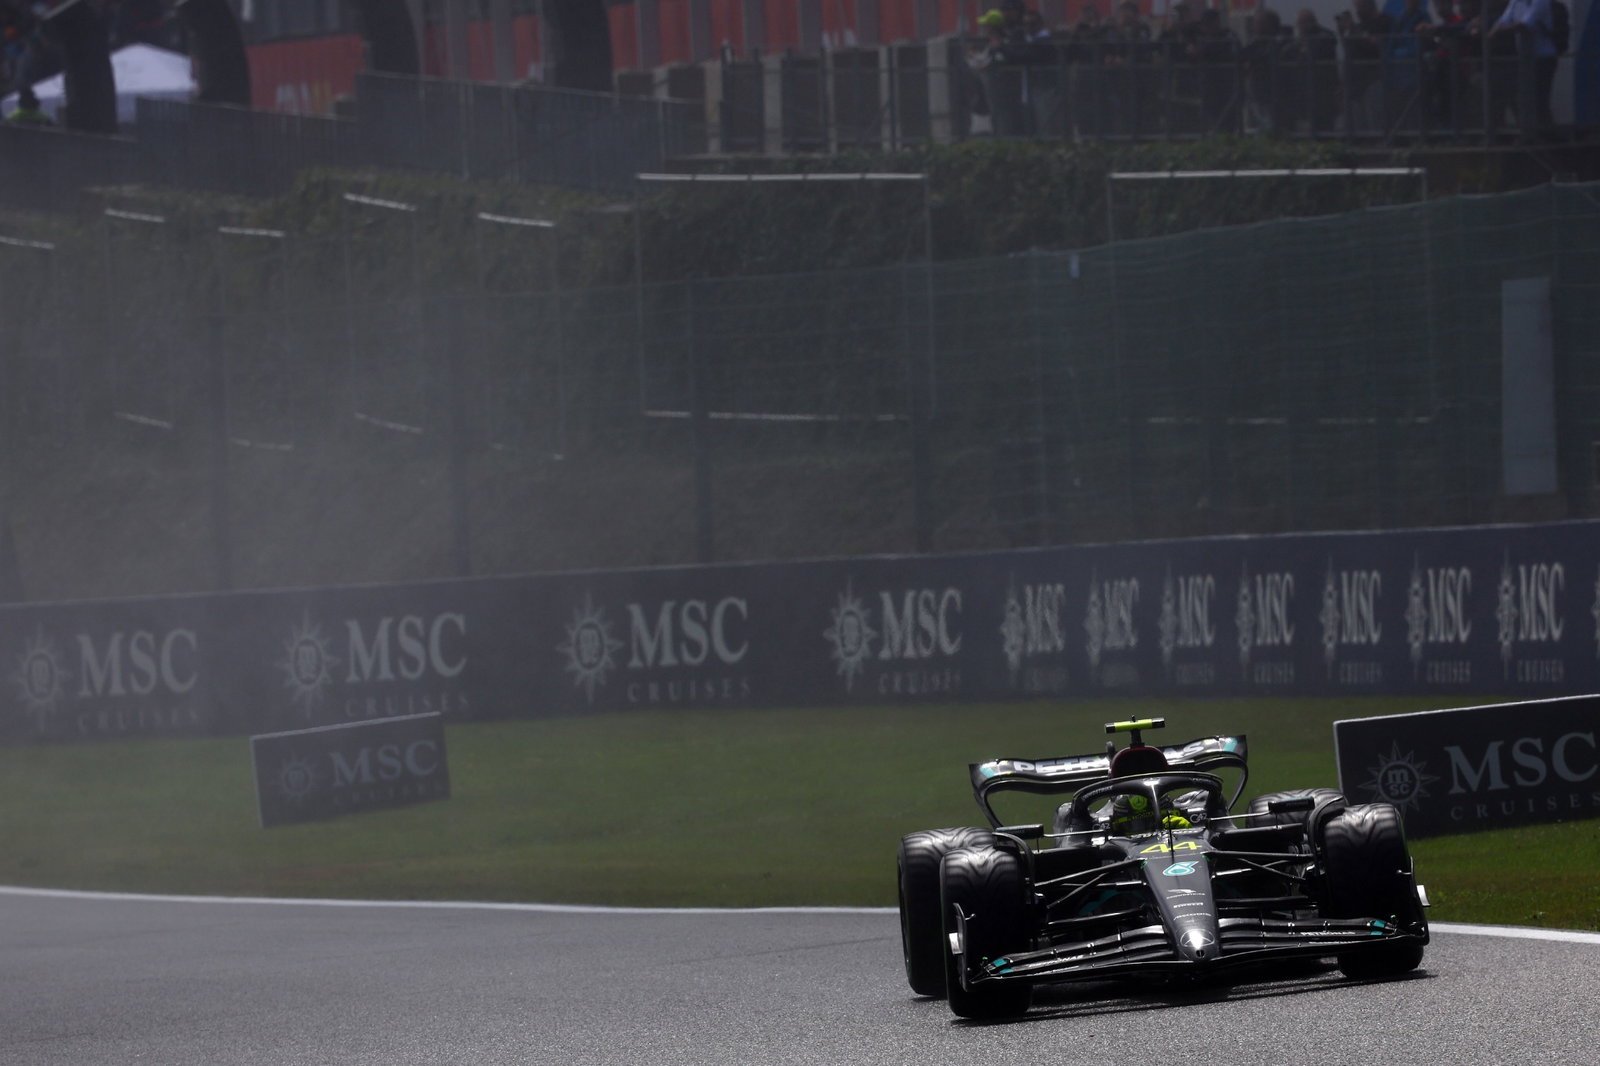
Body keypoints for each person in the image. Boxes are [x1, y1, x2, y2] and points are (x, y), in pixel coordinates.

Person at [1488, 0, 1558, 136]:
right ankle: (1531, 134)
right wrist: (1492, 31)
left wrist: (1498, 31)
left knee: (1540, 100)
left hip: (1543, 58)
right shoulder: (1516, 1)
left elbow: (1525, 24)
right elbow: (1504, 19)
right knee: (1525, 99)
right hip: (1524, 59)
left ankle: (1548, 136)